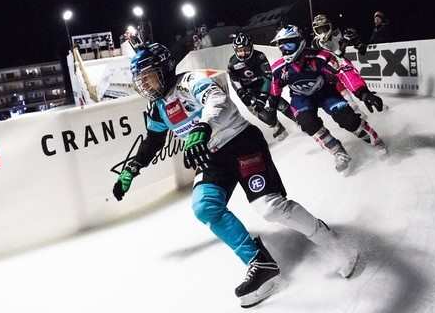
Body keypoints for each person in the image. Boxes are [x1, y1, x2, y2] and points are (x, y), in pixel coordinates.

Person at [112, 43, 359, 308]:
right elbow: (153, 140)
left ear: (164, 68)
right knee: (205, 208)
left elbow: (215, 99)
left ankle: (332, 241)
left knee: (270, 209)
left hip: (241, 143)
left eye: (148, 76)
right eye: (141, 80)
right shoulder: (158, 107)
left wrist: (202, 127)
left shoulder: (190, 81)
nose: (145, 85)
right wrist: (132, 168)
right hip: (212, 157)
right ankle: (261, 264)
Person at [268, 25, 386, 175]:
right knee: (307, 123)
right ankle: (338, 152)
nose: (284, 49)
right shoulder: (279, 68)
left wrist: (362, 92)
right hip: (301, 98)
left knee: (348, 120)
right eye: (280, 45)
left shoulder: (321, 56)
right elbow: (274, 87)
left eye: (288, 43)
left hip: (326, 93)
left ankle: (376, 141)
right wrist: (271, 109)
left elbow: (344, 70)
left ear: (300, 41)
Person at [227, 32, 294, 141]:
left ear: (252, 47)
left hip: (263, 85)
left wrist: (263, 97)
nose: (243, 53)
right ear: (235, 50)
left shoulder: (259, 56)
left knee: (278, 103)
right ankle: (275, 125)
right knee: (262, 113)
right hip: (249, 91)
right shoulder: (232, 62)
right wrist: (242, 94)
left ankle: (298, 120)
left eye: (246, 50)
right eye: (239, 51)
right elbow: (234, 80)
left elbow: (268, 77)